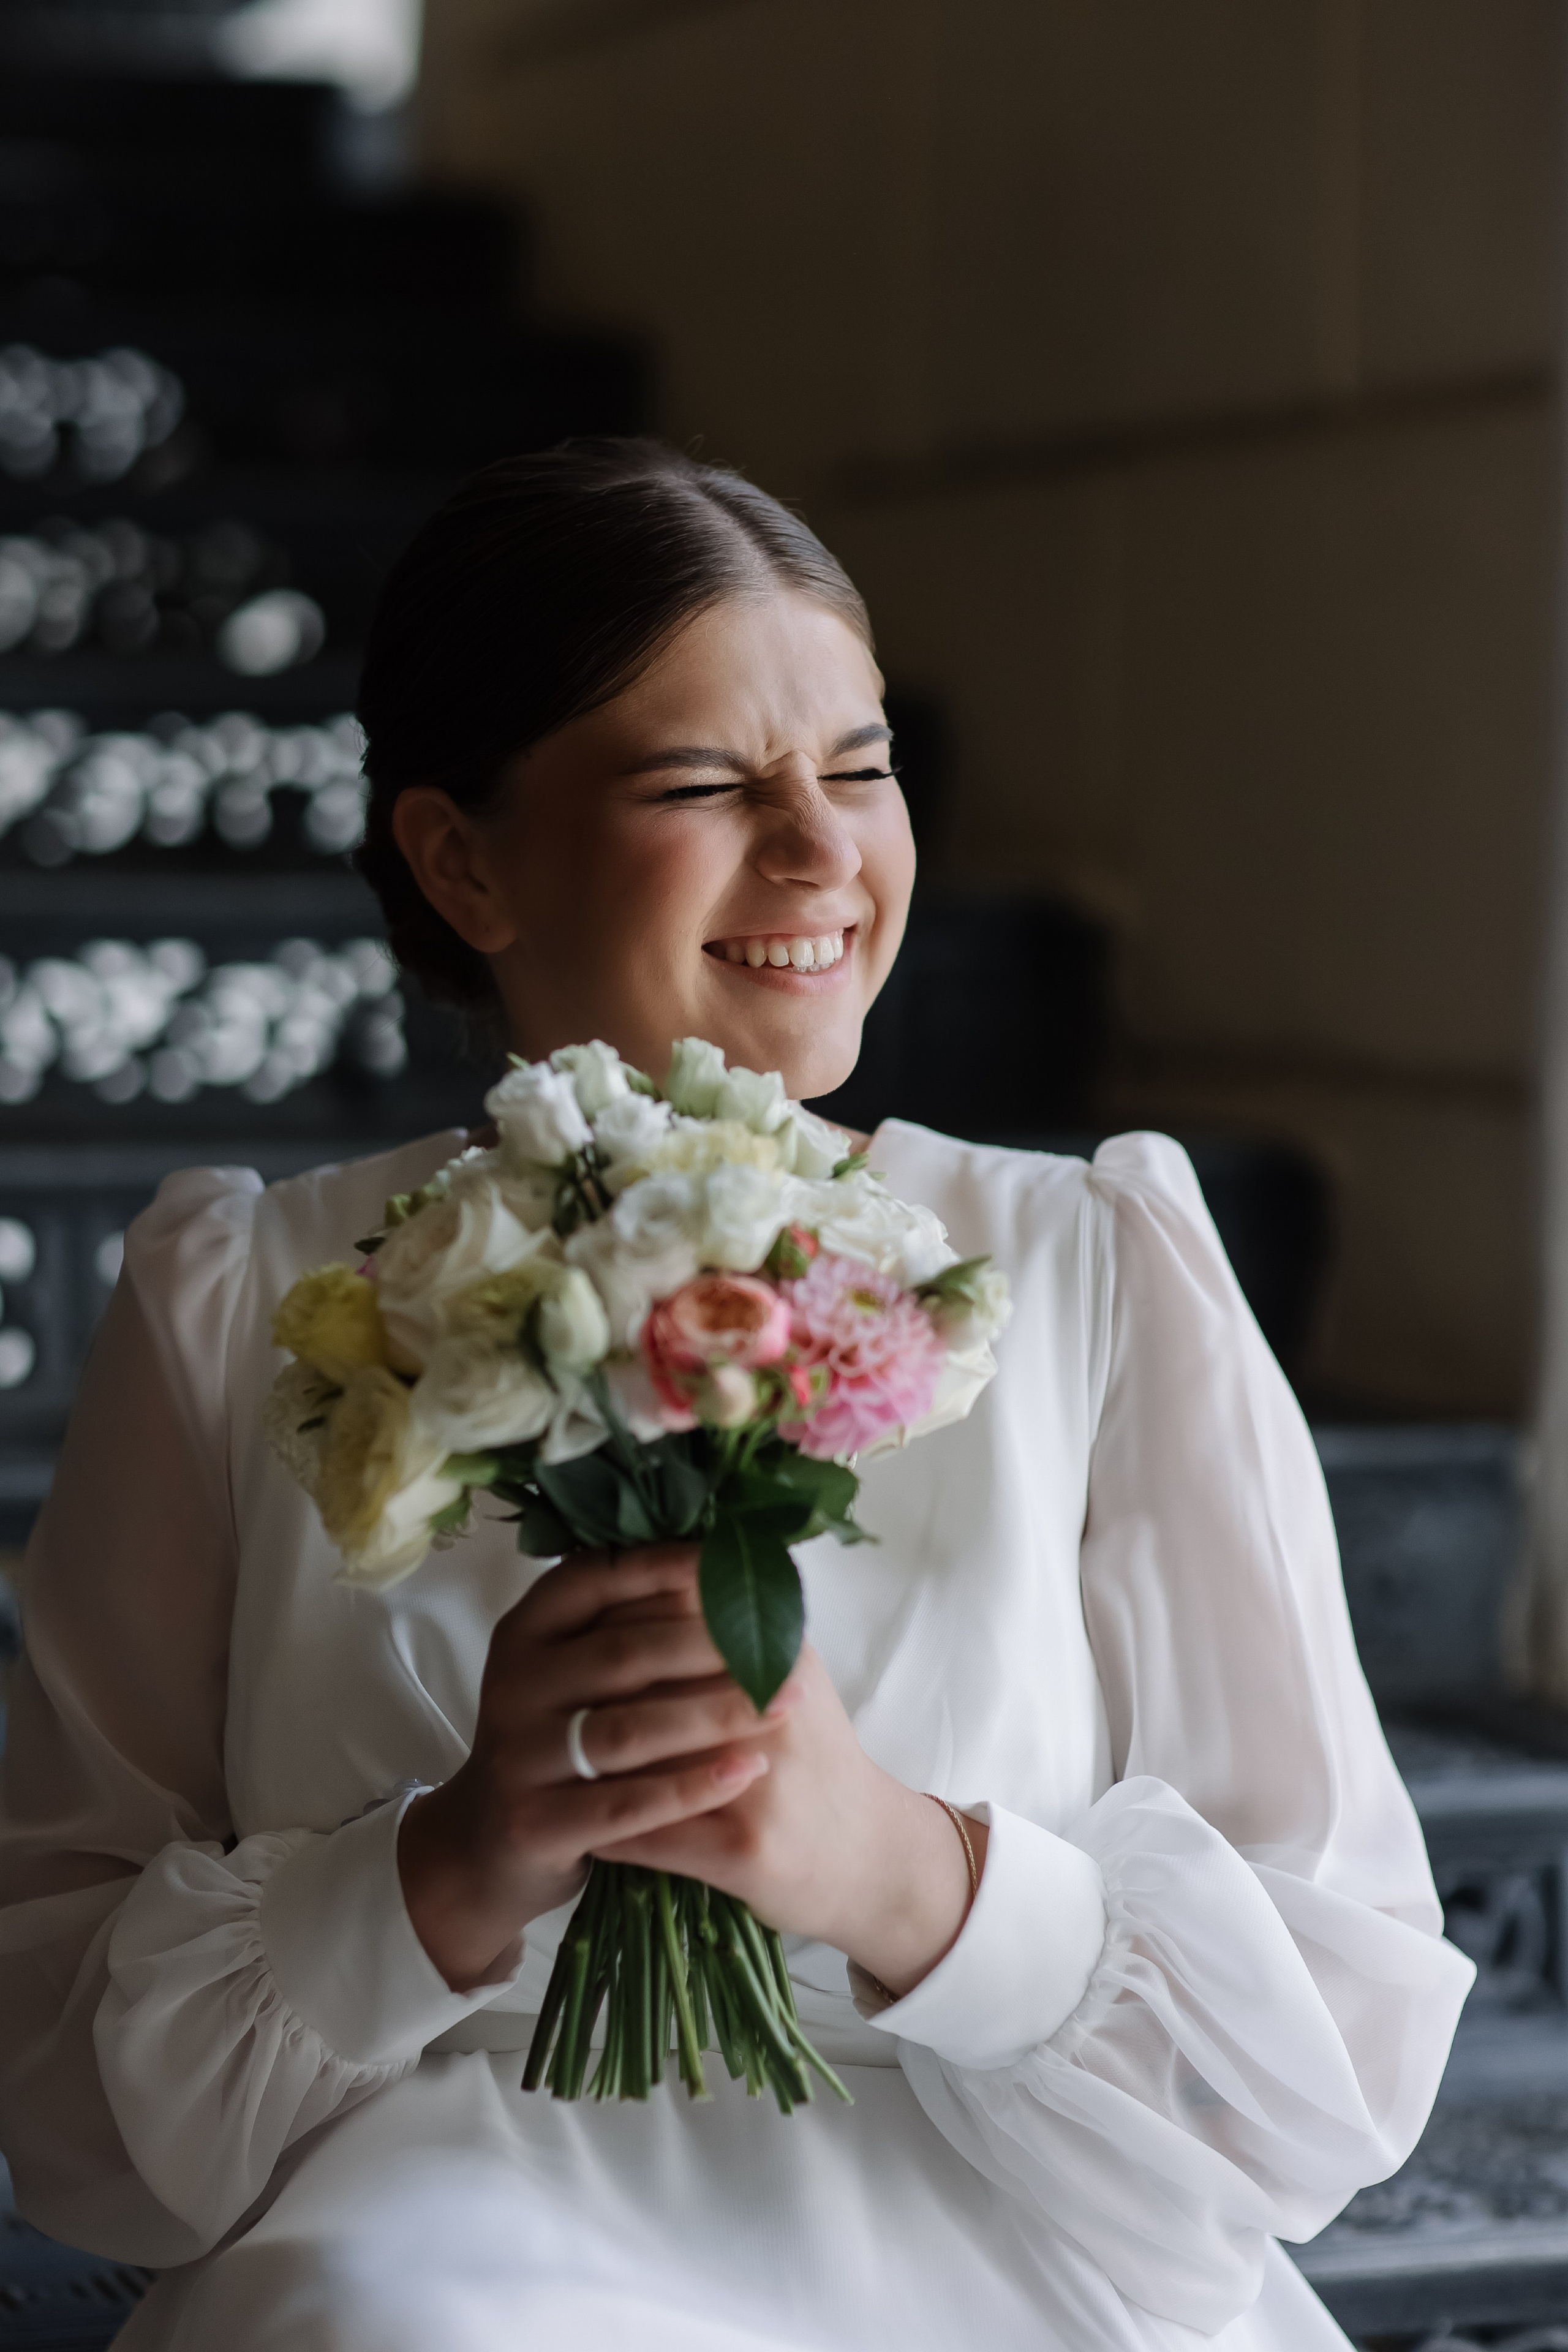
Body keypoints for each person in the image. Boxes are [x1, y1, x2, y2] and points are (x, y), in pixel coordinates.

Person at [0, 440, 1471, 2351]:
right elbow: (61, 2088)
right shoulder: (253, 1299)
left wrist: (909, 1873)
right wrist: (444, 1865)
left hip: (1018, 2217)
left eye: (858, 768)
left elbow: (1328, 2049)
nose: (821, 851)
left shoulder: (1092, 1266)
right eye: (705, 784)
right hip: (447, 2229)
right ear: (463, 857)